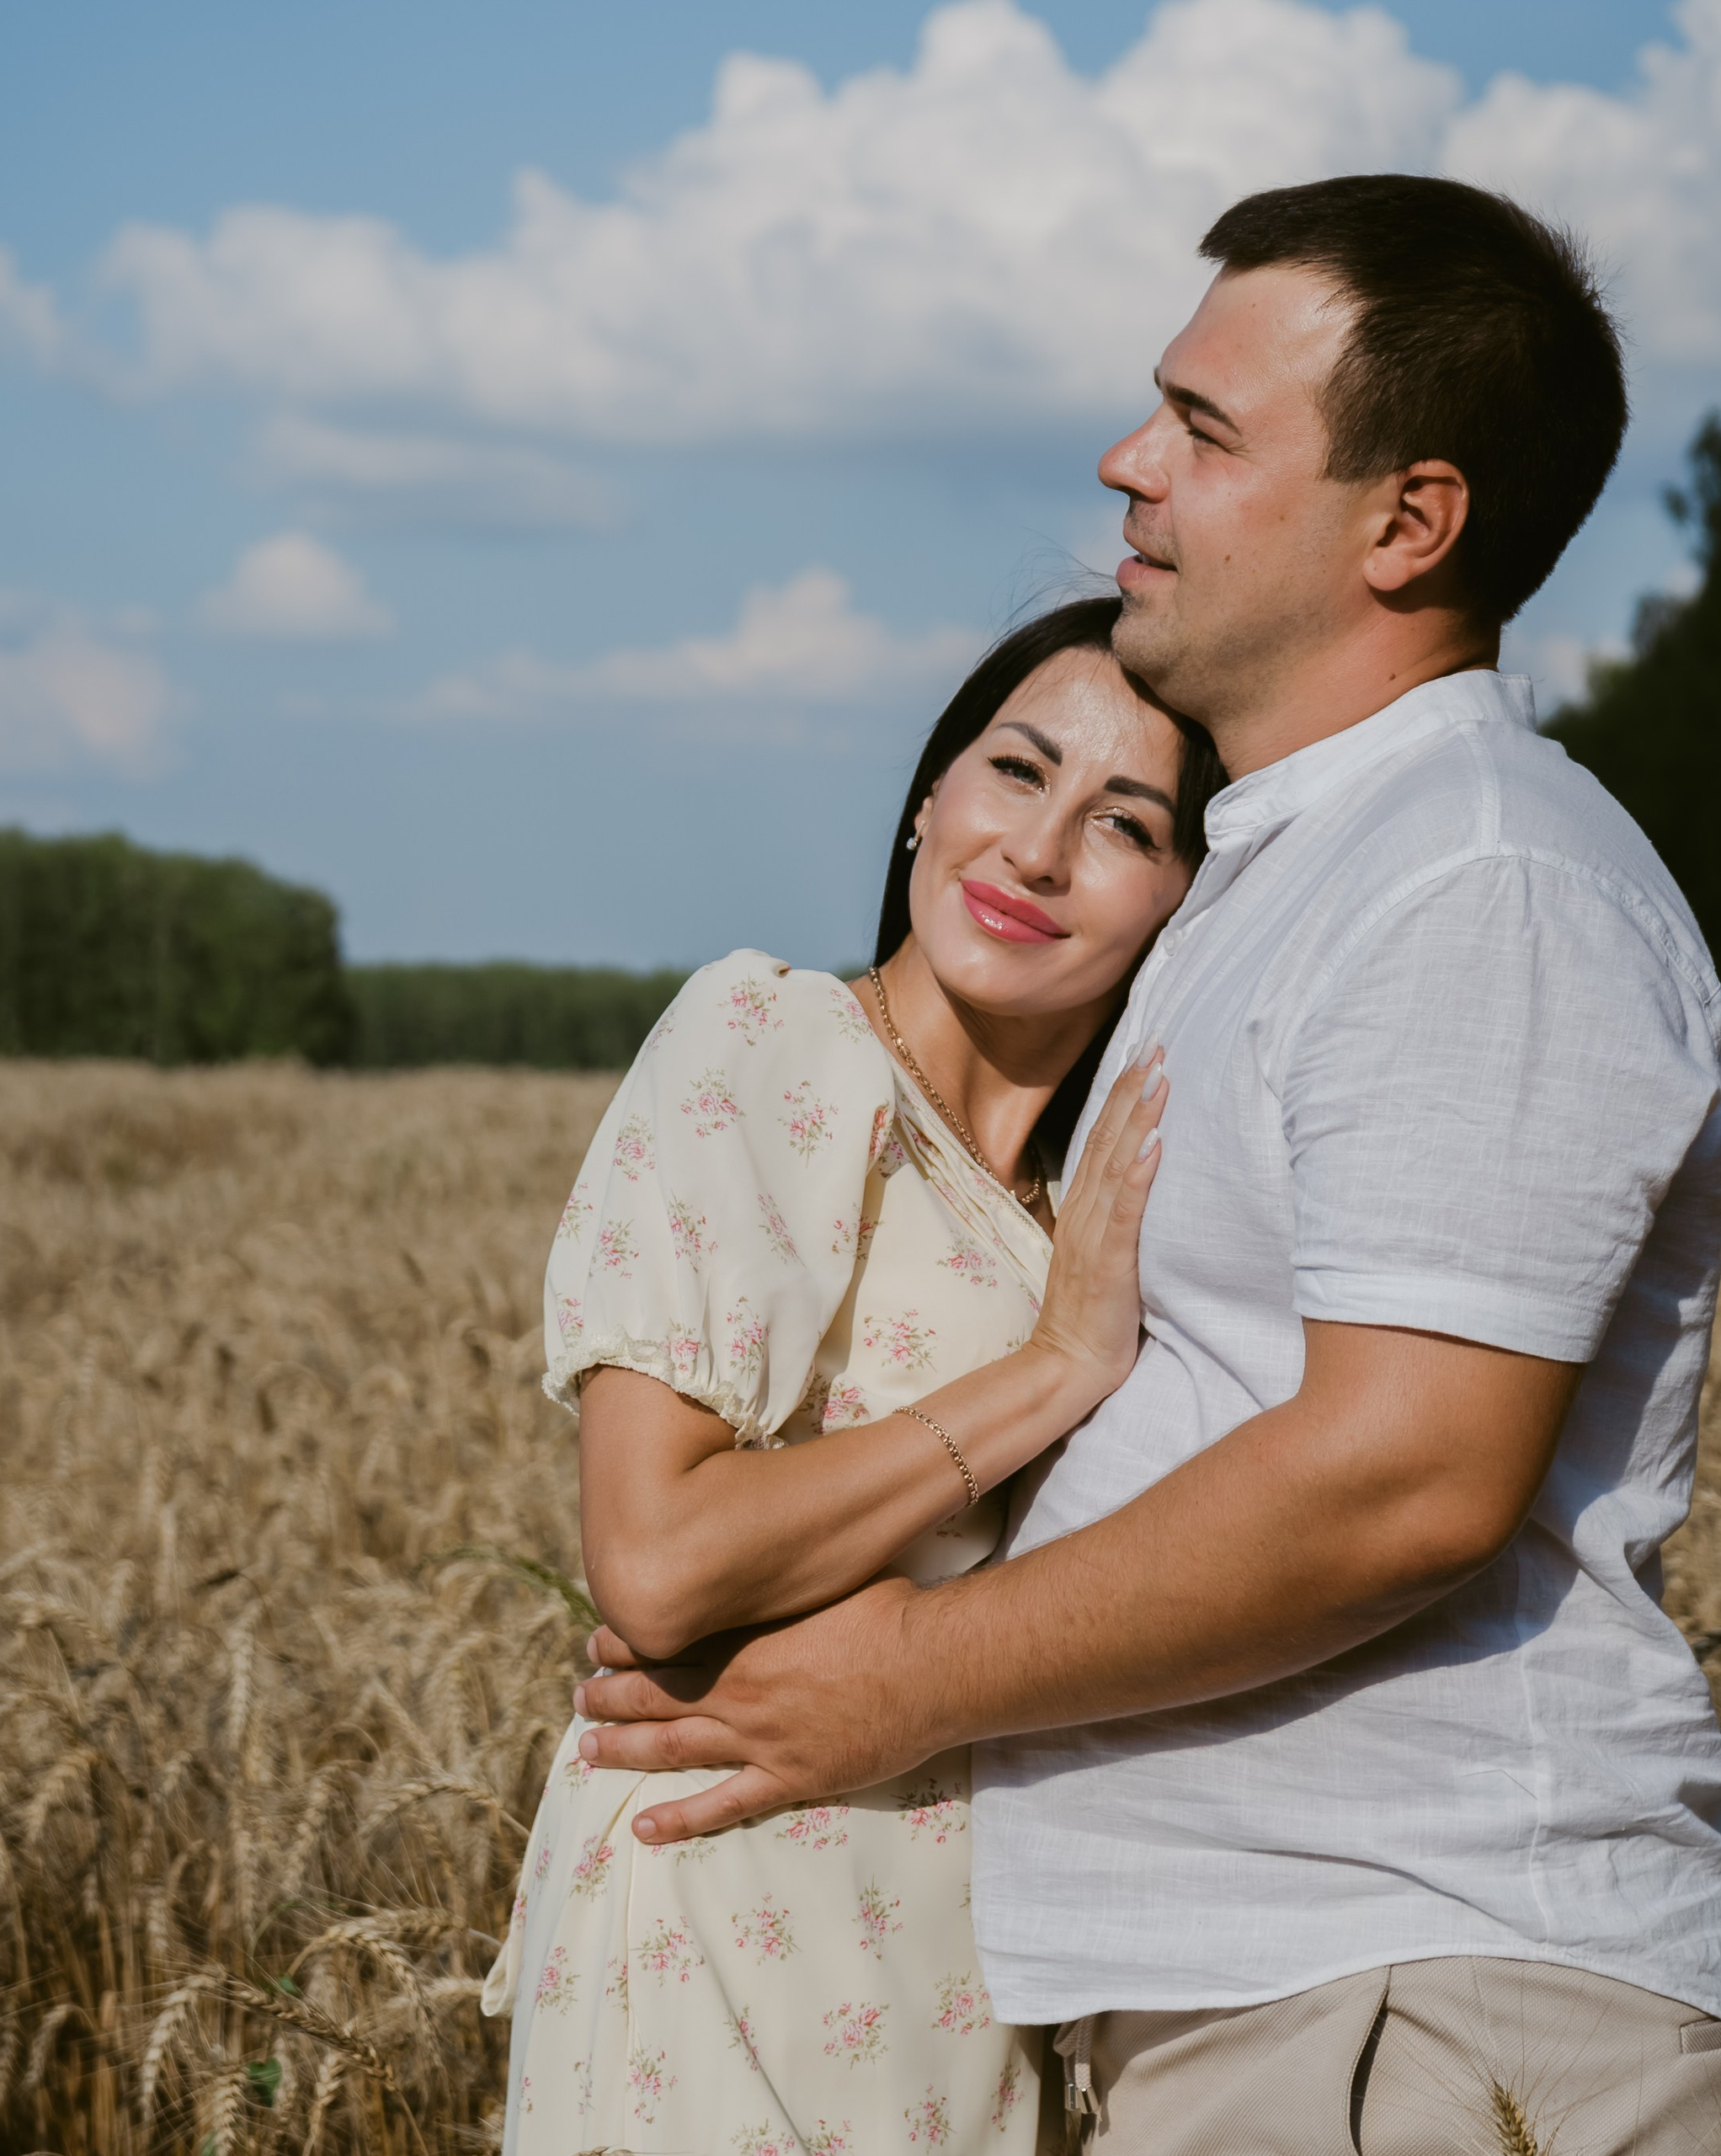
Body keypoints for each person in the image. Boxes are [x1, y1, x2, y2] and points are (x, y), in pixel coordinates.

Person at [572, 175, 1721, 2153]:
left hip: (1410, 1982)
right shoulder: (1288, 878)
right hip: (1283, 1991)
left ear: (1408, 521)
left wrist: (902, 1678)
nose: (1127, 464)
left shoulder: (1473, 873)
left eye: (1205, 430)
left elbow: (1405, 1474)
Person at [481, 596, 1225, 2152]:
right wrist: (1051, 1369)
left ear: (1180, 901)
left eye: (1124, 823)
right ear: (925, 807)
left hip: (976, 1983)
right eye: (1015, 772)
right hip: (721, 1920)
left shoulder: (1094, 1211)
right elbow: (663, 1562)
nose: (1037, 851)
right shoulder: (775, 1043)